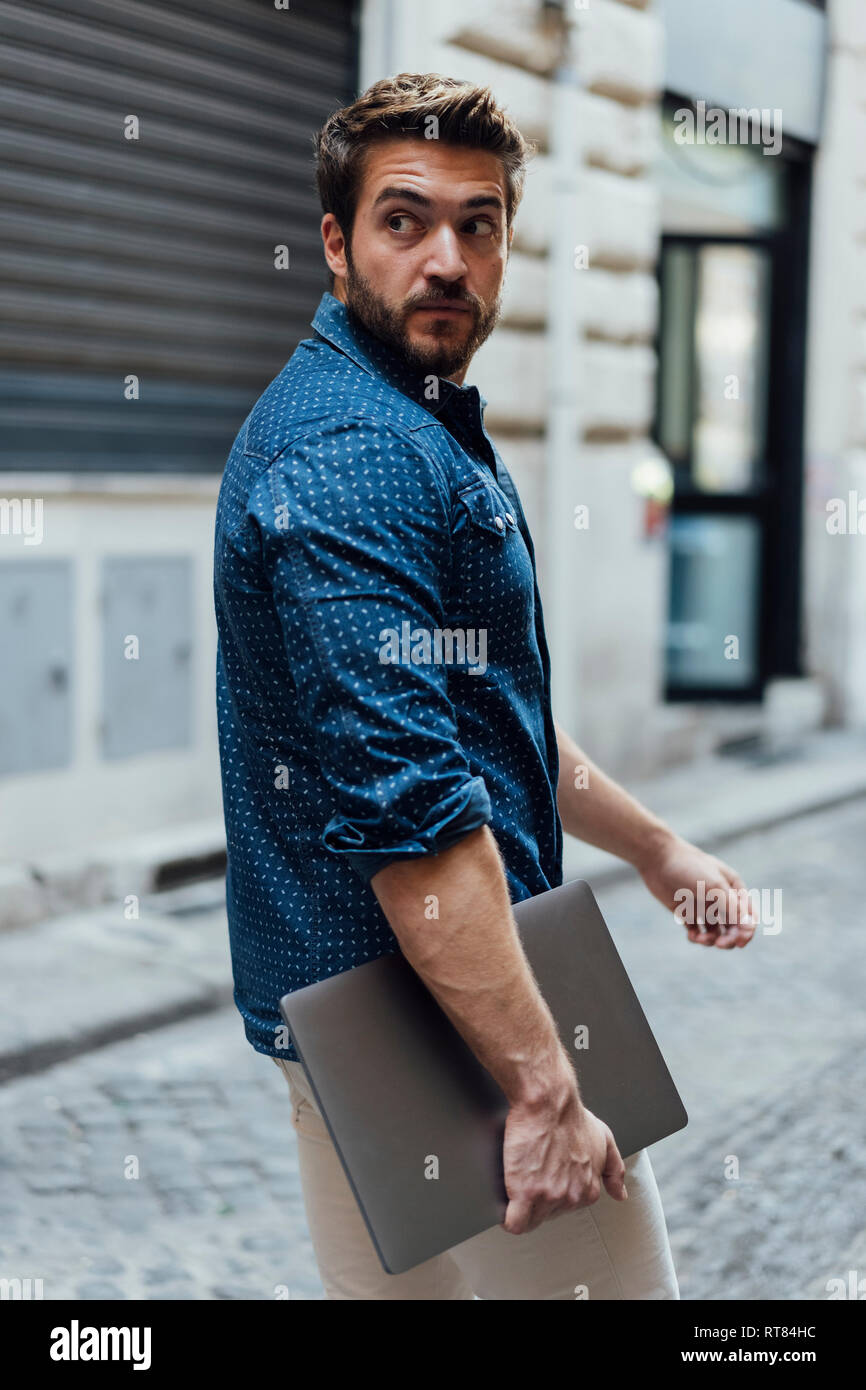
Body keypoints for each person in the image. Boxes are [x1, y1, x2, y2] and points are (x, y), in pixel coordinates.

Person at [212, 72, 755, 1301]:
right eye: (404, 221)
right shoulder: (359, 456)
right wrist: (544, 1091)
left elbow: (478, 720)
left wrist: (654, 846)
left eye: (480, 223)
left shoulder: (413, 414)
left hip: (345, 1018)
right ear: (337, 241)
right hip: (452, 1018)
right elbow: (416, 814)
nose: (446, 258)